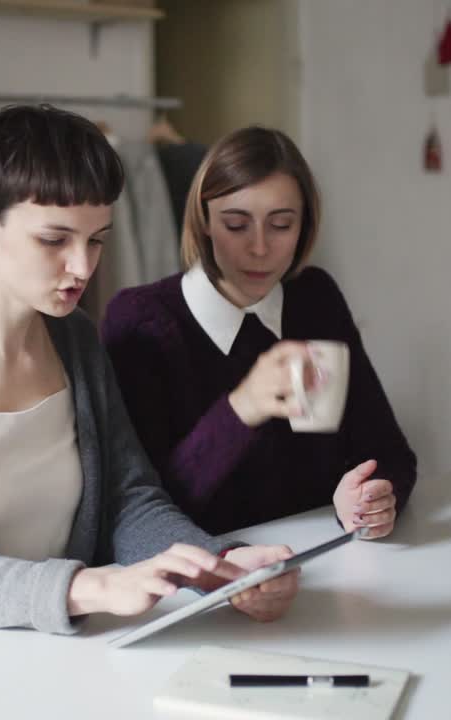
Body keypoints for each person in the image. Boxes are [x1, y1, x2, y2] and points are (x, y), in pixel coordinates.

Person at [0, 106, 300, 635]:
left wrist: (217, 565)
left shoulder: (74, 337)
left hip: (48, 649)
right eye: (55, 240)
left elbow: (129, 500)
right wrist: (92, 587)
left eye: (97, 239)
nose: (83, 267)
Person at [101, 126, 417, 539]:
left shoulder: (315, 298)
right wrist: (242, 408)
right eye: (236, 225)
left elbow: (389, 452)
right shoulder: (142, 320)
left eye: (281, 225)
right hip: (210, 576)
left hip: (324, 560)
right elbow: (143, 512)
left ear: (304, 225)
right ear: (205, 221)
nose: (260, 248)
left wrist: (372, 498)